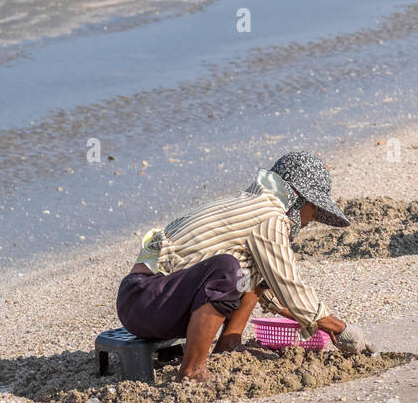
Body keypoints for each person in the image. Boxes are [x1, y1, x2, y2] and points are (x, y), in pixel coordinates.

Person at [115, 150, 377, 381]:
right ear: (298, 199)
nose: (312, 219)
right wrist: (341, 329)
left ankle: (228, 344)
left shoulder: (253, 208)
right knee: (226, 269)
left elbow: (276, 290)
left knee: (257, 274)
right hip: (142, 300)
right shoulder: (268, 216)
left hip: (155, 301)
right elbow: (290, 285)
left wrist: (317, 322)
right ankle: (192, 370)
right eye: (314, 209)